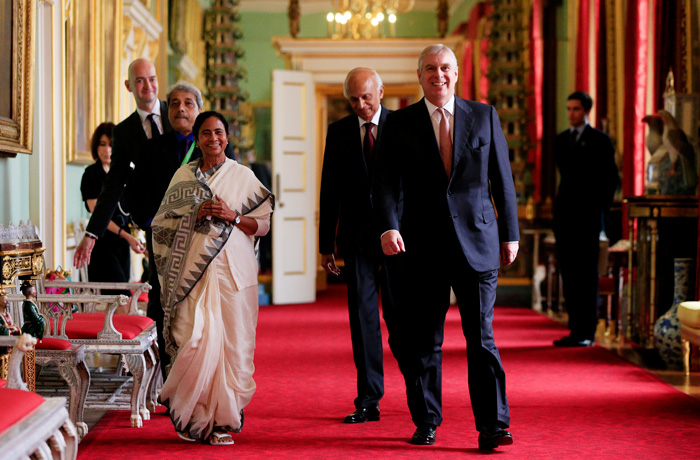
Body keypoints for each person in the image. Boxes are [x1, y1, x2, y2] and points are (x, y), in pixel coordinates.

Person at [373, 44, 519, 450]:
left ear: (457, 73)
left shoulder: (484, 116)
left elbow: (501, 179)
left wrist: (511, 234)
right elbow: (384, 182)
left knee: (482, 338)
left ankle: (493, 424)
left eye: (446, 68)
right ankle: (427, 420)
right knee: (425, 341)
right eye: (431, 69)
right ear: (419, 76)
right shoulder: (399, 123)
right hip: (421, 245)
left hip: (478, 241)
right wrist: (389, 227)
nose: (439, 75)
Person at [152, 111, 274, 445]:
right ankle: (194, 416)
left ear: (227, 136)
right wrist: (194, 214)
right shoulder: (183, 177)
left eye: (218, 132)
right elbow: (161, 226)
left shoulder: (243, 177)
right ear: (197, 138)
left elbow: (262, 224)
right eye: (205, 133)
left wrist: (232, 215)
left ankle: (223, 420)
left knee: (231, 345)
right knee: (193, 337)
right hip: (192, 272)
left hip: (234, 272)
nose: (213, 139)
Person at [125, 81, 235, 376]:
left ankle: (204, 374)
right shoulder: (152, 149)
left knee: (205, 304)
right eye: (174, 103)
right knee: (162, 304)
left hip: (206, 243)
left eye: (188, 103)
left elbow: (233, 190)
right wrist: (149, 222)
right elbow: (132, 194)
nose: (180, 109)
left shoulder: (217, 146)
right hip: (163, 244)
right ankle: (167, 379)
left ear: (198, 110)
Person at [319, 67, 396, 423]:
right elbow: (329, 189)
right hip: (357, 240)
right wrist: (325, 245)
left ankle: (418, 395)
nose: (361, 104)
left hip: (399, 239)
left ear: (381, 91)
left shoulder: (402, 126)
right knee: (363, 321)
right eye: (353, 99)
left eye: (366, 96)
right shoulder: (338, 132)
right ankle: (368, 399)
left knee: (400, 319)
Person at [553, 91, 618, 347]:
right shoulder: (561, 140)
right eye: (569, 109)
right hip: (565, 217)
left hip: (589, 217)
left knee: (587, 274)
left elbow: (610, 179)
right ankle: (574, 329)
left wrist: (600, 210)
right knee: (568, 273)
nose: (571, 114)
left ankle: (587, 331)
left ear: (586, 111)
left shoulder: (600, 140)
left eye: (576, 109)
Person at [80, 122, 145, 297]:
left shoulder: (128, 173)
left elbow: (135, 206)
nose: (107, 150)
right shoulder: (91, 175)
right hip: (102, 245)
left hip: (122, 245)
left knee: (121, 297)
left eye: (111, 145)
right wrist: (127, 236)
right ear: (96, 147)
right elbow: (99, 215)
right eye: (102, 144)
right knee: (121, 298)